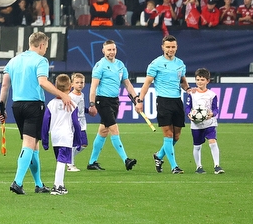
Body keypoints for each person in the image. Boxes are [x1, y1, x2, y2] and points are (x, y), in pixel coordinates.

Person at [0, 31, 73, 195]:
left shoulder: (14, 61)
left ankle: (39, 184)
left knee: (34, 145)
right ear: (41, 45)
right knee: (29, 144)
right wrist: (62, 94)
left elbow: (5, 86)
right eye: (45, 46)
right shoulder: (41, 61)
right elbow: (42, 82)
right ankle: (17, 182)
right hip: (33, 105)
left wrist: (1, 108)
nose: (45, 50)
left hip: (16, 105)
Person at [137, 35, 190, 175]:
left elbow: (183, 81)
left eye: (173, 47)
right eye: (168, 47)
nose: (171, 49)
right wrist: (140, 100)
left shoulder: (180, 63)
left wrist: (189, 89)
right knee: (168, 134)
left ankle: (159, 156)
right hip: (163, 102)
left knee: (176, 136)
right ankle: (174, 166)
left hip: (177, 101)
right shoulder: (156, 64)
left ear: (176, 47)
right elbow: (147, 83)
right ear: (163, 47)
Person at [87, 40, 140, 171]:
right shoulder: (100, 66)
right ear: (103, 51)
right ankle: (126, 159)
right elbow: (93, 87)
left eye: (113, 49)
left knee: (103, 131)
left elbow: (127, 84)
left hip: (114, 101)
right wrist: (92, 104)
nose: (111, 52)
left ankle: (92, 162)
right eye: (109, 50)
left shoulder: (120, 65)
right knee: (114, 129)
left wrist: (136, 98)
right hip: (102, 101)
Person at [41, 74, 83, 195]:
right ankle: (57, 186)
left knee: (60, 160)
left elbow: (45, 123)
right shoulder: (72, 104)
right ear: (70, 87)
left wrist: (44, 139)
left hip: (54, 136)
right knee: (62, 161)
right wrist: (78, 140)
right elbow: (76, 124)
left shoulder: (50, 104)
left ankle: (62, 185)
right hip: (66, 136)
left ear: (55, 86)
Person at [186, 68, 223, 174]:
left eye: (202, 80)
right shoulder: (192, 93)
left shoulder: (212, 95)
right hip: (196, 124)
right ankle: (199, 167)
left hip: (209, 123)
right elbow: (188, 107)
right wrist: (189, 114)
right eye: (197, 80)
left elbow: (215, 109)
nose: (199, 82)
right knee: (197, 146)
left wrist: (212, 114)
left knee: (212, 141)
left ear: (207, 81)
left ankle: (217, 165)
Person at [66, 73, 86, 173]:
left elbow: (80, 109)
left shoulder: (82, 94)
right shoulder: (70, 96)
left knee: (84, 144)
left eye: (81, 82)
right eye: (77, 82)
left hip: (82, 122)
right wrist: (74, 124)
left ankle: (68, 157)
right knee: (76, 143)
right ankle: (70, 165)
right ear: (72, 84)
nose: (80, 84)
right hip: (74, 123)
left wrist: (88, 111)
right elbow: (71, 111)